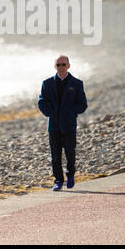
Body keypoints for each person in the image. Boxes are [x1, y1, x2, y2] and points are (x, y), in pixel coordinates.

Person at [38, 55, 88, 191]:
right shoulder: (47, 83)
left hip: (69, 125)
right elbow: (41, 101)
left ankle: (70, 175)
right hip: (53, 125)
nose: (61, 67)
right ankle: (58, 180)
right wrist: (50, 113)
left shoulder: (77, 84)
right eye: (58, 65)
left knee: (70, 152)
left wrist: (71, 112)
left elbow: (82, 104)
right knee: (55, 155)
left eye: (63, 65)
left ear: (68, 66)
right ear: (55, 67)